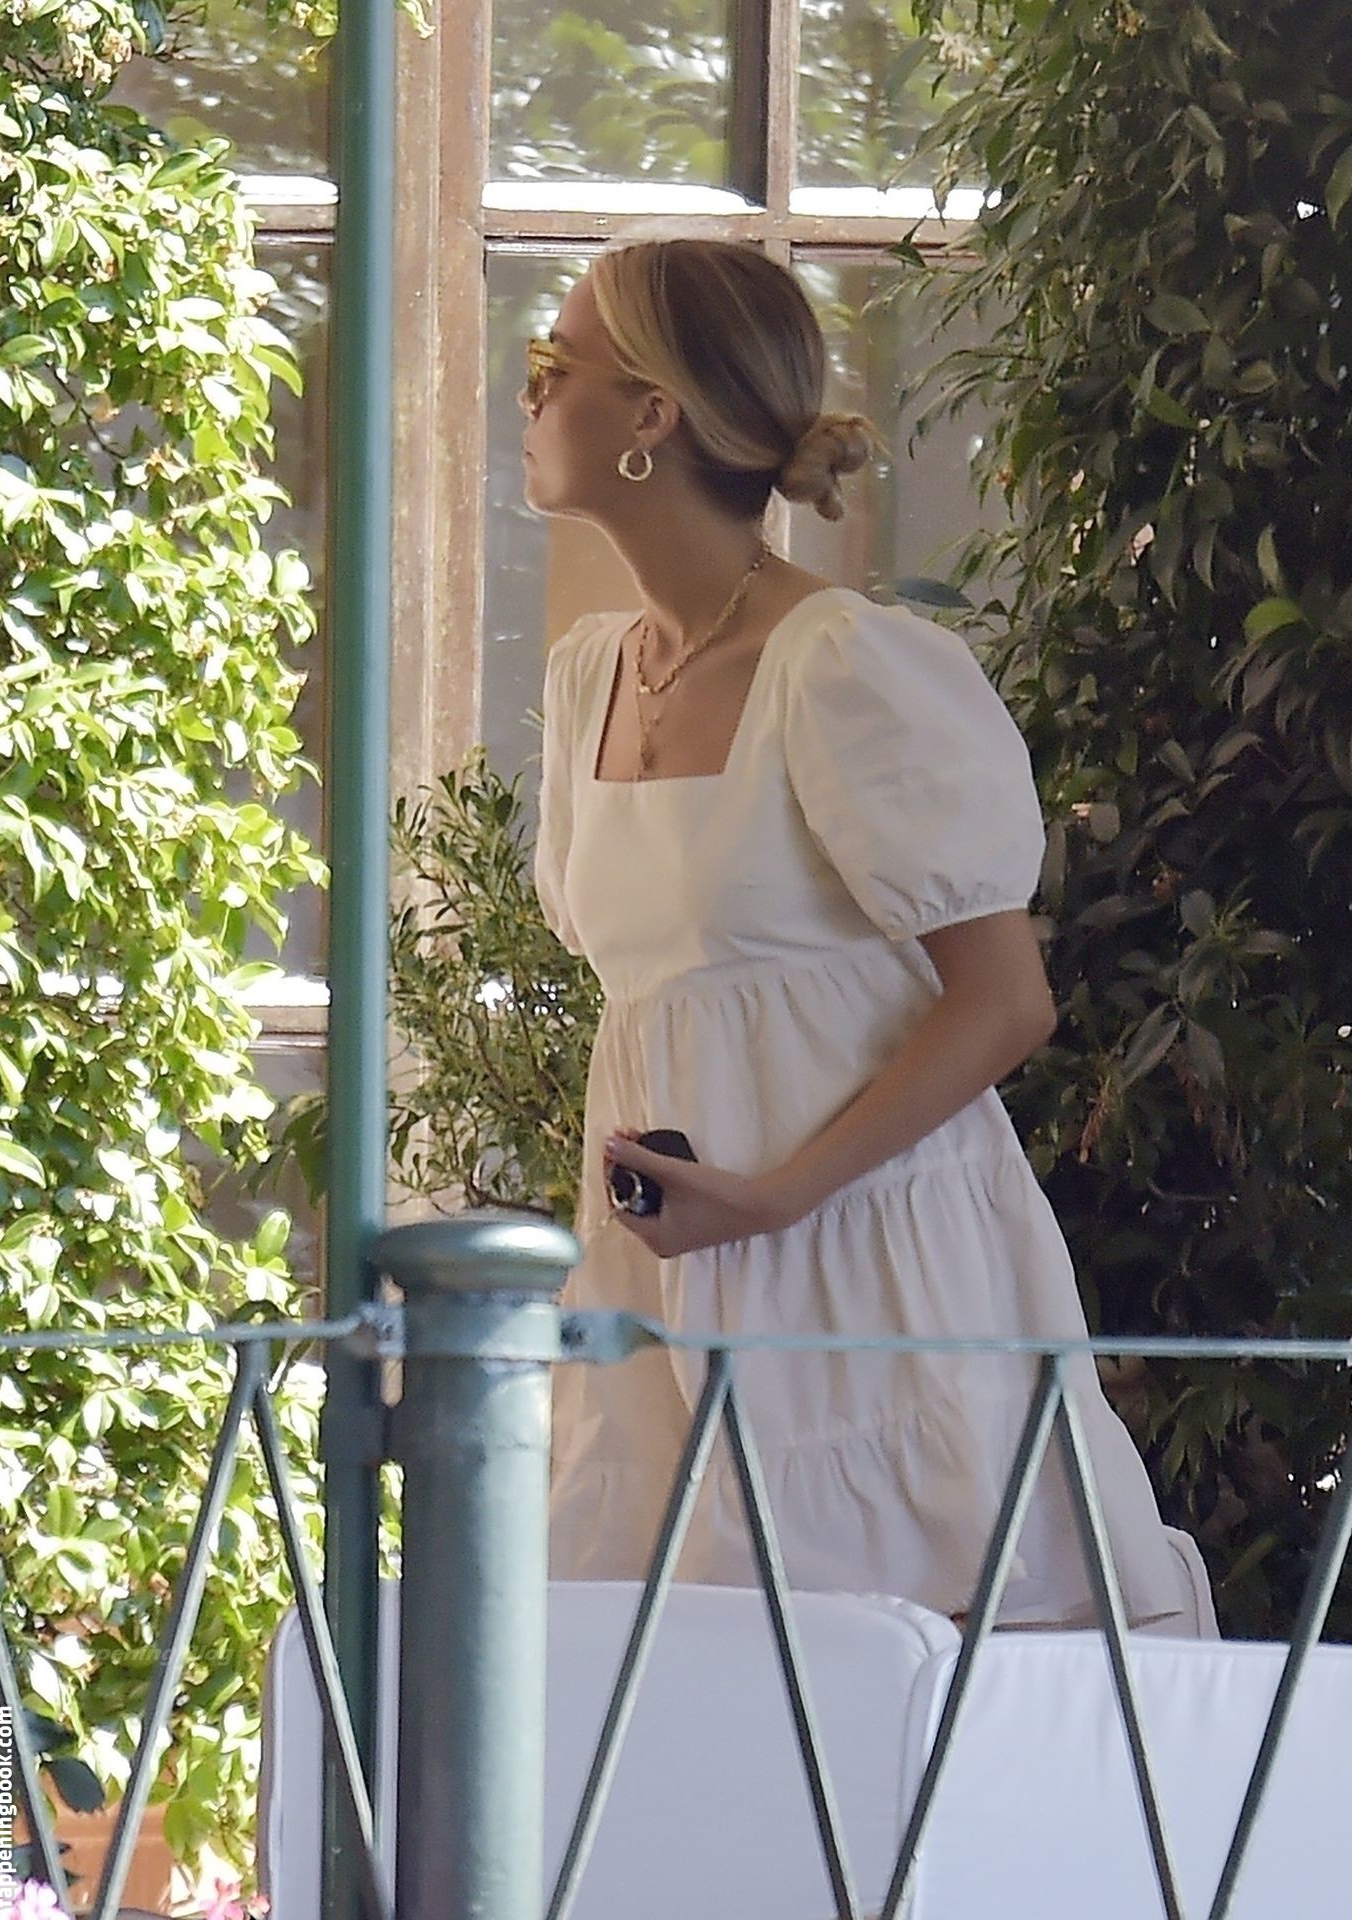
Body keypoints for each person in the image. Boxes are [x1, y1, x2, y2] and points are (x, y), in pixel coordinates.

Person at [526, 237, 1185, 1628]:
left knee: (904, 1667)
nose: (530, 398)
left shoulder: (841, 664)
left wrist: (776, 1199)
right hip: (662, 1273)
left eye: (552, 367)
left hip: (865, 1256)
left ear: (652, 414)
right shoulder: (592, 676)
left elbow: (1005, 999)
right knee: (663, 1665)